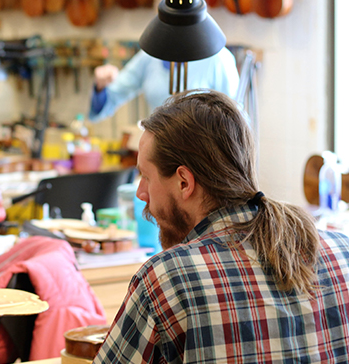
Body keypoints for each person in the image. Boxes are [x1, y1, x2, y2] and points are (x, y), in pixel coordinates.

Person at [95, 89, 349, 363]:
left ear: (184, 182)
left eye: (146, 176)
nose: (140, 192)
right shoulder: (342, 253)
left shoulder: (166, 280)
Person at [89, 47, 239, 122]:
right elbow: (111, 97)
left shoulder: (219, 59)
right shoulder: (150, 56)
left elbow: (237, 120)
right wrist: (101, 86)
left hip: (204, 161)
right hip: (161, 155)